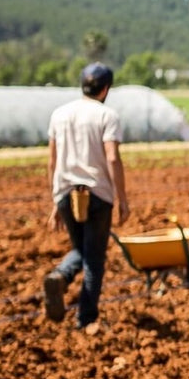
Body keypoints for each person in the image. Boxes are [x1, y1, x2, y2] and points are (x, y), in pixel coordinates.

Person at [43, 62, 130, 330]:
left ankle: (60, 275)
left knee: (81, 249)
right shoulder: (107, 116)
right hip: (96, 194)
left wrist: (55, 201)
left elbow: (52, 161)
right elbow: (112, 158)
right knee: (94, 258)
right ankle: (86, 318)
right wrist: (122, 199)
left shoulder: (59, 114)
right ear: (106, 89)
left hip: (66, 192)